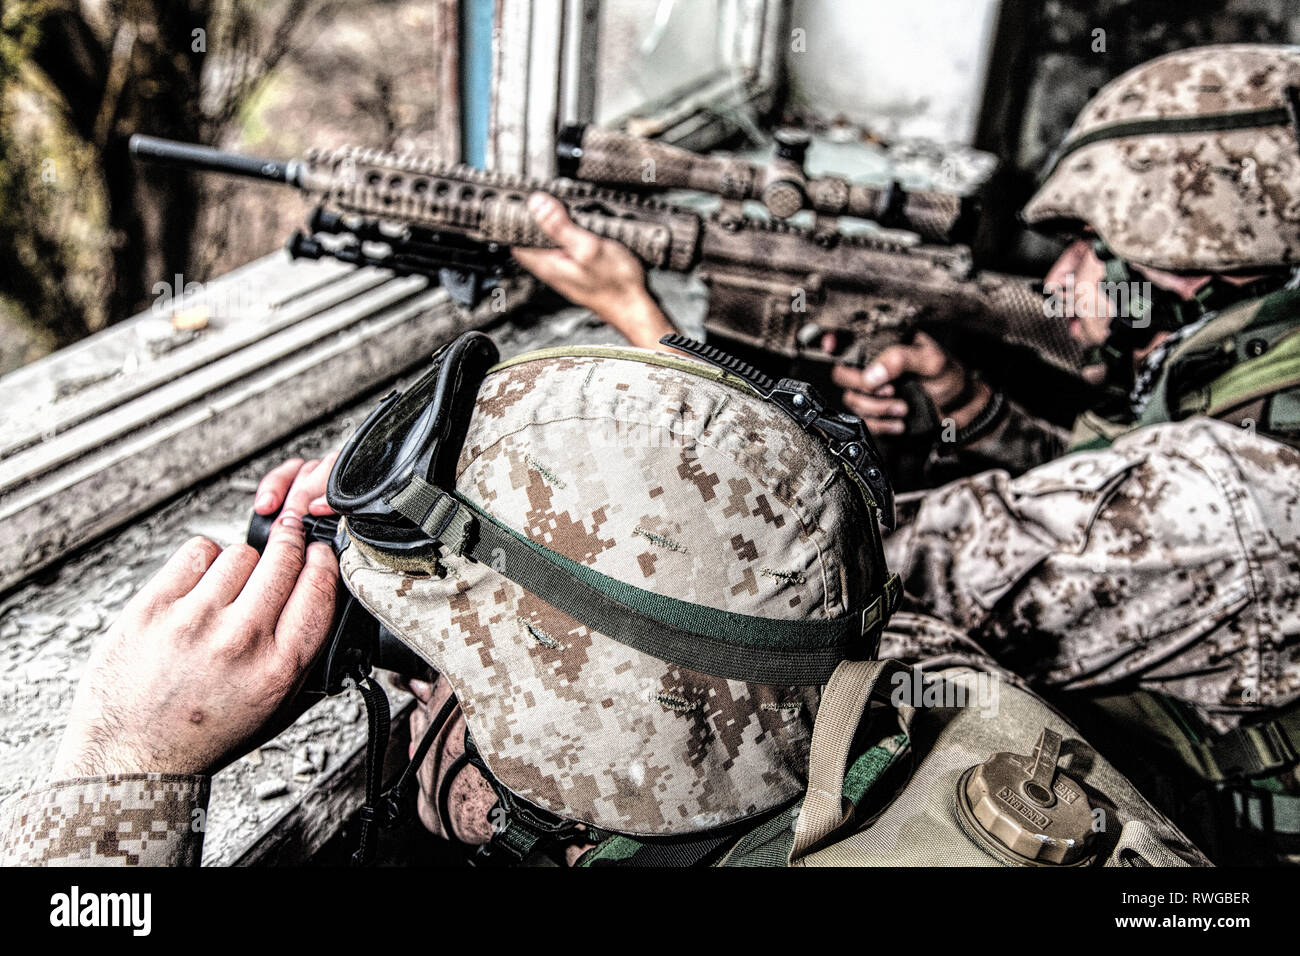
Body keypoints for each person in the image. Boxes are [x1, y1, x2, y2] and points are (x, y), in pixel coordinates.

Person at [512, 45, 1300, 861]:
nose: (1061, 271)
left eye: (1090, 242)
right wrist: (961, 399)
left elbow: (825, 582)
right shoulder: (1265, 384)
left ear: (1190, 261)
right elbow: (1116, 478)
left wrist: (644, 326)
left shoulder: (1235, 491)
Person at [1, 336, 1206, 867]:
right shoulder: (885, 662)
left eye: (445, 677)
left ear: (575, 772)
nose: (425, 686)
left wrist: (126, 758)